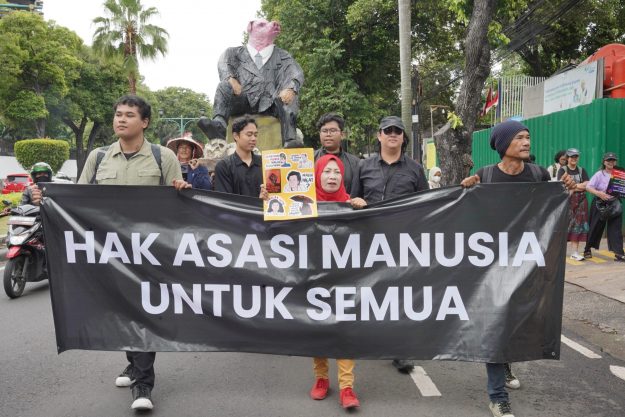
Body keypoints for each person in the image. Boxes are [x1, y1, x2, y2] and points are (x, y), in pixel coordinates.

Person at [460, 120, 575, 417]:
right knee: (495, 325)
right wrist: (467, 191)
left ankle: (505, 362)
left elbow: (552, 212)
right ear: (503, 145)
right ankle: (497, 396)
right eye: (519, 137)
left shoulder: (538, 174)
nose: (526, 142)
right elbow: (469, 218)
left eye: (528, 137)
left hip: (526, 265)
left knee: (516, 323)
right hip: (493, 267)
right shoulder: (485, 175)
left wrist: (566, 190)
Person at [77, 95, 182, 412]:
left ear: (144, 122)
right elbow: (77, 199)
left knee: (143, 313)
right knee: (122, 311)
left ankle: (143, 384)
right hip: (108, 252)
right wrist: (47, 196)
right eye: (118, 114)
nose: (121, 119)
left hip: (149, 253)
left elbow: (178, 209)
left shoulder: (163, 157)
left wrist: (182, 193)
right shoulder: (98, 158)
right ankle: (133, 363)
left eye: (129, 115)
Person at [352, 115, 428, 373]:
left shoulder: (415, 169)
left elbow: (427, 206)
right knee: (371, 292)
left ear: (403, 137)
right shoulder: (363, 167)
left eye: (397, 130)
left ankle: (401, 350)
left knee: (401, 296)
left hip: (403, 243)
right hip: (369, 242)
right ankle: (371, 339)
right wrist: (357, 202)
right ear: (379, 135)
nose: (393, 134)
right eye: (388, 130)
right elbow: (352, 199)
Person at [302, 154, 366, 409]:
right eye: (326, 172)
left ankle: (347, 386)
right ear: (317, 175)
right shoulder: (302, 205)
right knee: (317, 328)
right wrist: (269, 200)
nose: (332, 176)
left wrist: (364, 209)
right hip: (312, 278)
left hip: (344, 279)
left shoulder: (352, 205)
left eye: (336, 172)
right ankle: (321, 379)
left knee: (344, 331)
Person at [199, 19, 304, 147]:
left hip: (272, 103)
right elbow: (223, 65)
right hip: (242, 100)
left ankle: (290, 138)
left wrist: (291, 87)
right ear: (250, 28)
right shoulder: (233, 53)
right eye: (262, 25)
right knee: (223, 86)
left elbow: (295, 72)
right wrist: (230, 78)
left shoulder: (283, 56)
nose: (271, 25)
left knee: (291, 95)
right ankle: (219, 126)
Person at [582, 152, 625, 262]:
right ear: (604, 162)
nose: (611, 162)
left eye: (613, 160)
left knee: (616, 229)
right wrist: (599, 193)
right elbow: (588, 187)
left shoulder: (620, 174)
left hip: (614, 204)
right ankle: (587, 249)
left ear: (615, 162)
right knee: (594, 227)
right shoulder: (599, 174)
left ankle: (619, 254)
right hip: (600, 203)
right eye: (608, 160)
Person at [213, 115, 263, 197]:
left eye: (255, 135)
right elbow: (225, 200)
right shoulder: (224, 167)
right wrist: (258, 200)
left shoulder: (265, 163)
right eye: (249, 134)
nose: (254, 138)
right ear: (236, 136)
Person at [313, 113, 361, 195]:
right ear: (320, 134)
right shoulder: (309, 160)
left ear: (342, 135)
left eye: (333, 130)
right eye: (324, 131)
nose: (328, 134)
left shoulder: (356, 163)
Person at [557, 148, 589, 261]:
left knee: (578, 226)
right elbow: (562, 186)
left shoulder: (582, 170)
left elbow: (587, 185)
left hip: (581, 202)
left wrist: (573, 186)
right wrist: (579, 186)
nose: (574, 159)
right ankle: (558, 251)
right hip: (567, 201)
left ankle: (574, 253)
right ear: (567, 158)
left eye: (576, 156)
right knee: (564, 225)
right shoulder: (562, 170)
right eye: (571, 157)